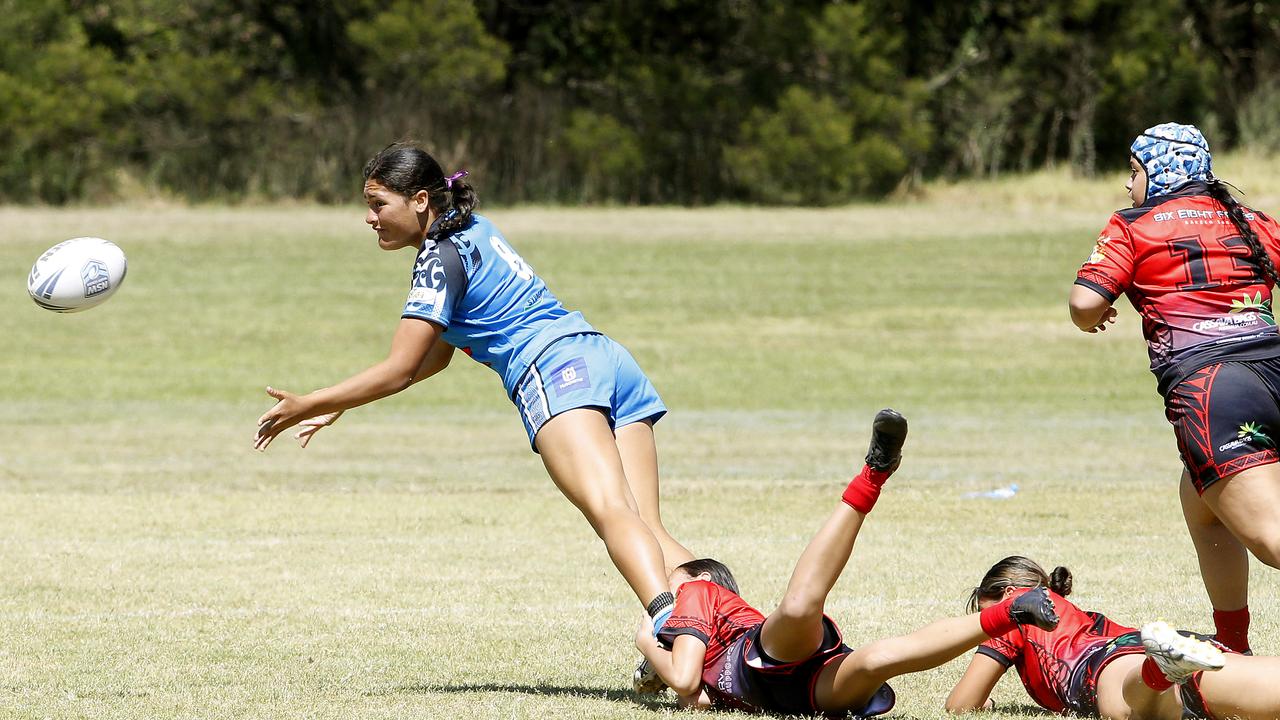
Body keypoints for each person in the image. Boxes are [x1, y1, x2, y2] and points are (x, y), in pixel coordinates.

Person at [254, 142, 693, 638]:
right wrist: (342, 405)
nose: (370, 219)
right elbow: (433, 357)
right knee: (647, 527)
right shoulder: (471, 228)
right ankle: (738, 633)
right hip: (604, 358)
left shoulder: (438, 260)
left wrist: (312, 400)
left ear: (420, 200)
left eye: (378, 204)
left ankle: (672, 627)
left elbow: (401, 367)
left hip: (555, 372)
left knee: (613, 512)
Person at [634, 410, 1062, 715]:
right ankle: (1013, 612)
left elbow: (686, 679)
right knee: (876, 661)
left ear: (703, 578)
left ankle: (873, 473)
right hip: (800, 694)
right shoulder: (705, 645)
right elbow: (699, 697)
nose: (664, 588)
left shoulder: (696, 590)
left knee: (801, 604)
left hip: (768, 654)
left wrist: (648, 640)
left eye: (672, 580)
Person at [1070, 121, 1280, 654]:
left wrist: (1100, 313)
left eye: (1134, 172)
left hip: (1216, 389)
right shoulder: (1249, 220)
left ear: (1156, 174)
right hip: (1274, 368)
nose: (1127, 185)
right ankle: (1233, 643)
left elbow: (1084, 305)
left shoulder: (1134, 225)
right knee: (1200, 499)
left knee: (1271, 539)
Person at [946, 556, 1280, 719]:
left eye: (981, 611)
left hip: (1106, 668)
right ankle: (1164, 665)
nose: (979, 623)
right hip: (1152, 649)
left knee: (1126, 704)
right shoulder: (1081, 616)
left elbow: (960, 705)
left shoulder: (1014, 614)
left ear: (1008, 593)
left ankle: (1159, 670)